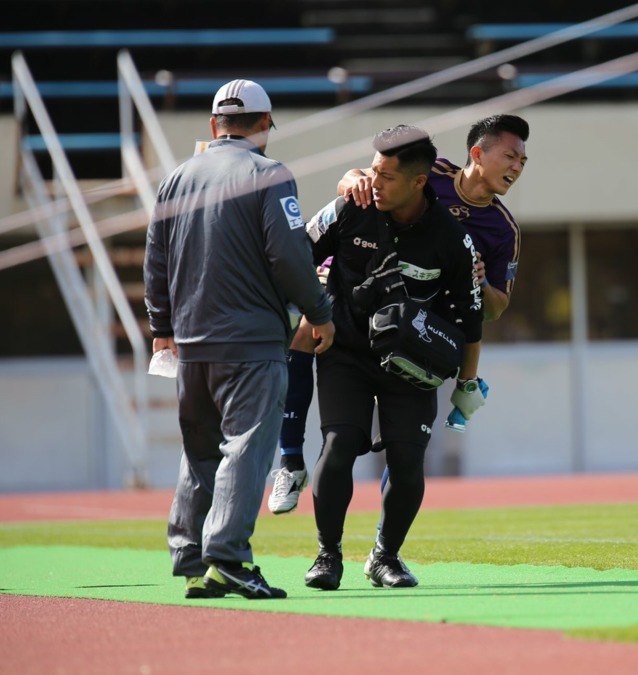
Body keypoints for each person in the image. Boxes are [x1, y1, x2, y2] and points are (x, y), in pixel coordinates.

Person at [268, 114, 529, 514]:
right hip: (365, 282)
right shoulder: (429, 172)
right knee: (307, 329)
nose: (517, 167)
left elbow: (495, 309)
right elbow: (364, 179)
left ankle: (386, 533)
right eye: (511, 156)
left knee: (405, 450)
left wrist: (479, 282)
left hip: (421, 323)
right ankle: (290, 461)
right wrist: (352, 179)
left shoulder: (504, 229)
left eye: (522, 161)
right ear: (477, 154)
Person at [144, 79, 335, 600]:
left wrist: (162, 328)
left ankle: (192, 559)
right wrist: (319, 312)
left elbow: (156, 259)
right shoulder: (269, 173)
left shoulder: (177, 178)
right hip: (251, 341)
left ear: (214, 125)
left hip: (190, 342)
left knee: (199, 452)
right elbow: (289, 255)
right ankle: (228, 559)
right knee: (246, 449)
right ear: (266, 124)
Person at [300, 125, 485, 591]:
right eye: (372, 171)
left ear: (418, 182)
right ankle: (327, 556)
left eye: (386, 176)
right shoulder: (349, 207)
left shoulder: (451, 238)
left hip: (412, 364)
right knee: (339, 445)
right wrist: (312, 314)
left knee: (407, 463)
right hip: (344, 353)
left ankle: (385, 557)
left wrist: (467, 385)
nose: (374, 182)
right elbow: (295, 257)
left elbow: (470, 319)